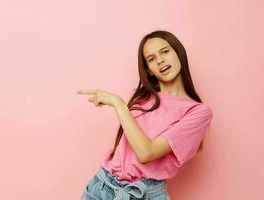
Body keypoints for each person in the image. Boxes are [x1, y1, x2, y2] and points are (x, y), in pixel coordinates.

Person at [76, 30, 213, 200]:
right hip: (102, 186)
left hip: (143, 194)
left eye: (165, 51)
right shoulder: (142, 98)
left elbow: (146, 152)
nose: (160, 60)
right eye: (151, 58)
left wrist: (118, 104)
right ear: (149, 70)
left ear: (178, 52)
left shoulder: (197, 112)